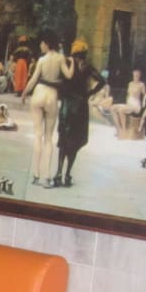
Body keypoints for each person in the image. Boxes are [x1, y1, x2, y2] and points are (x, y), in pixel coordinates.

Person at [22, 31, 73, 188]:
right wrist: (72, 63)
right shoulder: (60, 58)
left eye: (42, 43)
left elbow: (33, 80)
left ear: (47, 43)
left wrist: (24, 93)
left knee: (38, 135)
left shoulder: (41, 60)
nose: (40, 45)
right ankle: (46, 177)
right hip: (51, 96)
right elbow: (69, 76)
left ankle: (35, 174)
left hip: (39, 93)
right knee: (49, 138)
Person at [53, 38, 106, 187]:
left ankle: (58, 173)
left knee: (63, 140)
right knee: (75, 141)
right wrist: (89, 94)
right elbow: (102, 81)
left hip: (67, 105)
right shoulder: (87, 66)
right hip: (81, 105)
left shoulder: (67, 63)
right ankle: (67, 175)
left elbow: (59, 81)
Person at [111, 68, 146, 136]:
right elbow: (128, 95)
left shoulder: (141, 84)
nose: (135, 77)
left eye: (137, 76)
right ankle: (119, 129)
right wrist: (126, 104)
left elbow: (145, 96)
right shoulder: (130, 83)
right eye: (134, 75)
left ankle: (124, 130)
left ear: (140, 76)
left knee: (121, 110)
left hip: (135, 105)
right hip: (129, 104)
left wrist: (144, 105)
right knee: (112, 107)